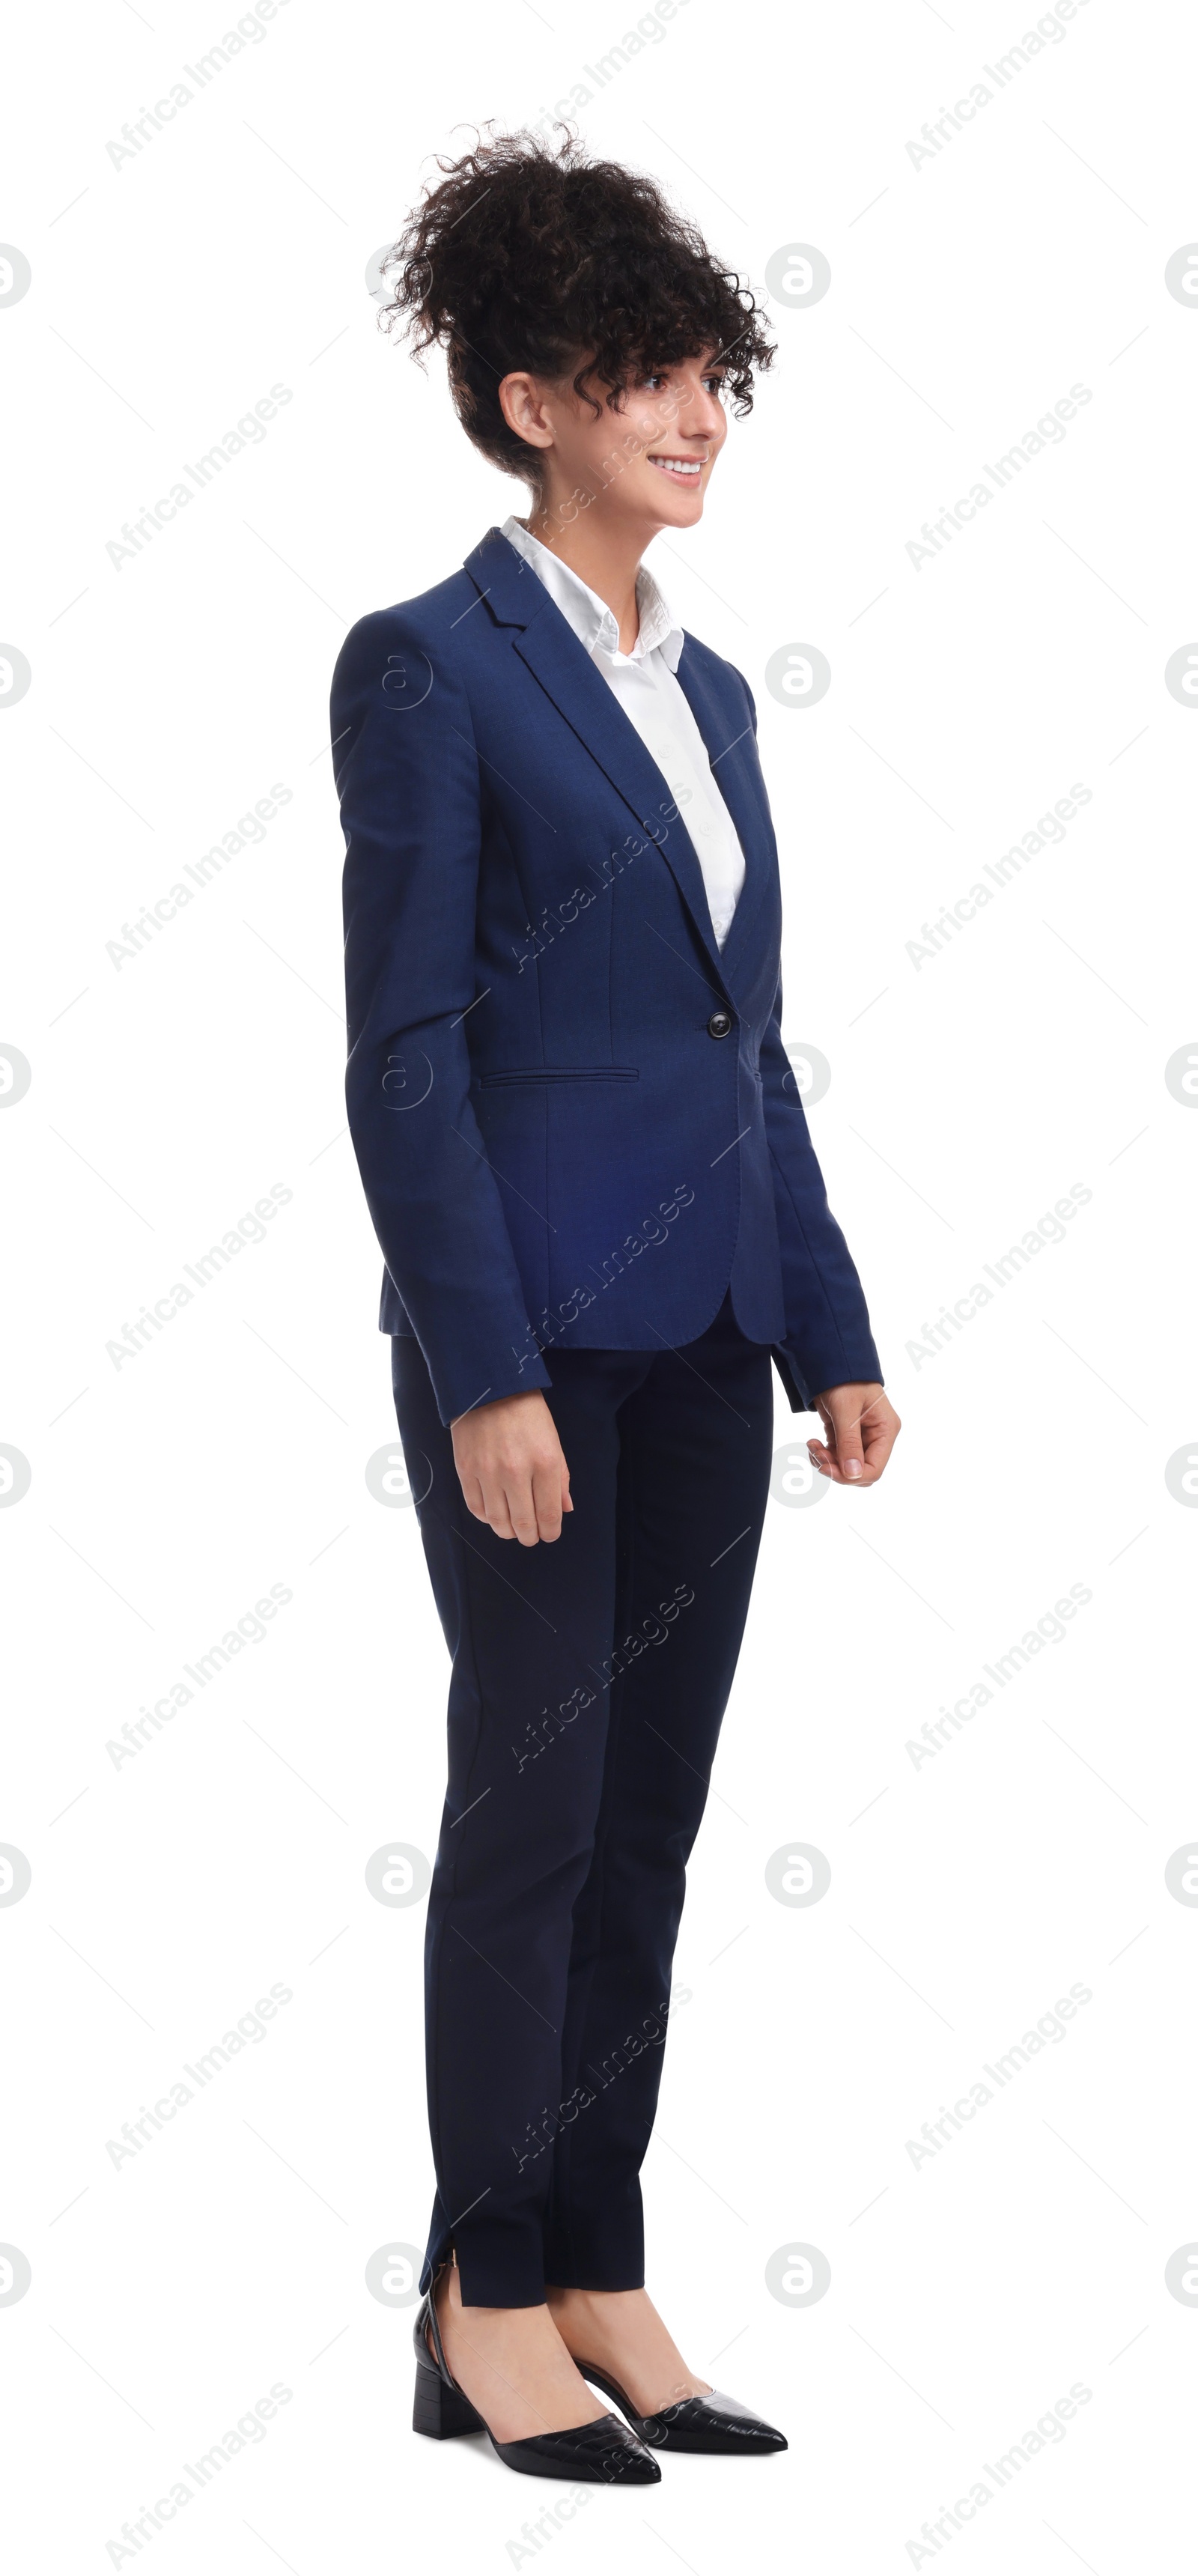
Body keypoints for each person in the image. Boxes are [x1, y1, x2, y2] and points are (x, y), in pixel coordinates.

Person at [331, 130, 900, 2485]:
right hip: (535, 1344)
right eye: (654, 378)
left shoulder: (721, 690)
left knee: (647, 1821)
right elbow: (403, 1049)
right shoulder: (430, 667)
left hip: (709, 1344)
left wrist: (835, 1319)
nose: (700, 416)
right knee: (533, 1810)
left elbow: (731, 1038)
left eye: (716, 376)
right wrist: (480, 1366)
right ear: (528, 394)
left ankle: (597, 2266)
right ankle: (478, 2300)